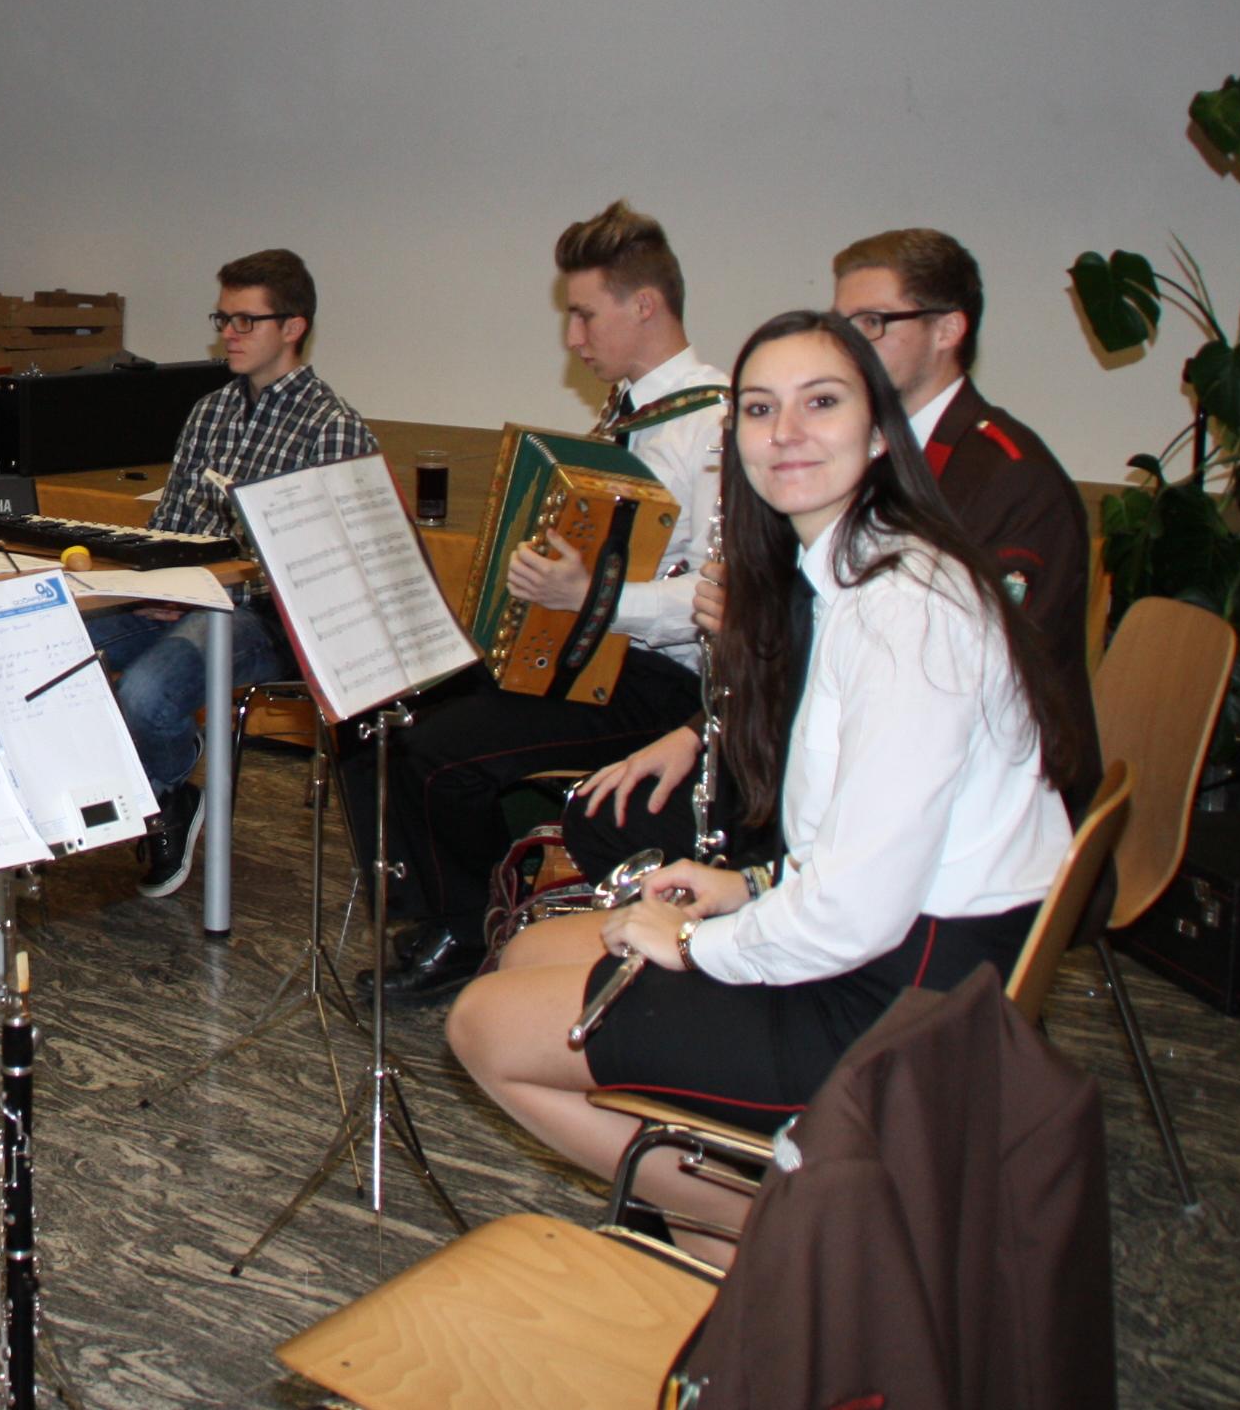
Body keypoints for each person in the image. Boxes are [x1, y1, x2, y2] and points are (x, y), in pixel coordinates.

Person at [445, 310, 1086, 1257]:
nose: (785, 432)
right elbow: (865, 839)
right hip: (902, 947)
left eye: (820, 403)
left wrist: (698, 942)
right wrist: (745, 886)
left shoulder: (903, 614)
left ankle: (774, 1243)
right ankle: (719, 1209)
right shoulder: (860, 570)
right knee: (529, 957)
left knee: (484, 1030)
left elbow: (859, 911)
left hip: (901, 1002)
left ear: (879, 432)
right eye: (758, 409)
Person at [565, 229, 1094, 878]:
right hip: (836, 745)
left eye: (872, 323)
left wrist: (760, 636)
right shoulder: (848, 457)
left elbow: (959, 689)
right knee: (607, 813)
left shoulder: (1009, 478)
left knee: (627, 827)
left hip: (957, 800)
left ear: (948, 330)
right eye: (842, 324)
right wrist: (702, 729)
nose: (846, 345)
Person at [367, 202, 729, 999]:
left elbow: (717, 597)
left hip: (662, 683)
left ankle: (468, 933)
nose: (572, 337)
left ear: (645, 305)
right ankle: (436, 897)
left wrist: (591, 597)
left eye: (585, 314)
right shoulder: (629, 413)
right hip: (592, 659)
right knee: (388, 707)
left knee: (437, 752)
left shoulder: (715, 426)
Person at [100, 248, 377, 901]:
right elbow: (167, 524)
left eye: (246, 320)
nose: (229, 332)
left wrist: (208, 588)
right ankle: (149, 787)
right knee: (50, 649)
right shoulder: (210, 411)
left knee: (146, 694)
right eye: (223, 318)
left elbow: (326, 579)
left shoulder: (332, 429)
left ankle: (166, 791)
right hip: (184, 595)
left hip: (266, 617)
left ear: (293, 327)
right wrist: (158, 585)